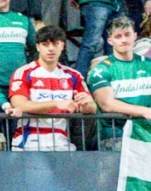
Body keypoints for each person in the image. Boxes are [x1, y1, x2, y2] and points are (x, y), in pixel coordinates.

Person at [8, 23, 93, 151]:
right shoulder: (23, 72)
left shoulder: (74, 75)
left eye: (55, 44)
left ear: (62, 46)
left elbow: (92, 107)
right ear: (38, 47)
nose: (51, 49)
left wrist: (86, 105)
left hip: (62, 144)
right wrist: (56, 104)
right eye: (45, 44)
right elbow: (19, 104)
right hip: (29, 144)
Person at [89, 15, 151, 124]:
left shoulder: (149, 64)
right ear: (110, 41)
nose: (124, 40)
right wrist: (144, 111)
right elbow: (107, 104)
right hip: (115, 129)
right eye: (118, 37)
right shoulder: (101, 70)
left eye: (127, 35)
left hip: (146, 128)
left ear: (134, 36)